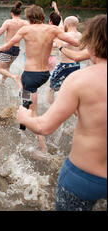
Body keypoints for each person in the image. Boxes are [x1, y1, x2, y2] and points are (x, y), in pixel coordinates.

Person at [17, 14, 106, 211]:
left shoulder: (81, 80)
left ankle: (41, 145)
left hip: (84, 175)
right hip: (44, 73)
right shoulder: (54, 32)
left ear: (92, 43)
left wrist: (22, 116)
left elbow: (44, 127)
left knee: (29, 100)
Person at [0, 5, 79, 153]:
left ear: (28, 17)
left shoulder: (25, 30)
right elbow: (76, 42)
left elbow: (8, 44)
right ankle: (22, 125)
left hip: (31, 76)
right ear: (41, 16)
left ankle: (42, 148)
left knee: (33, 111)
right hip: (44, 74)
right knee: (25, 98)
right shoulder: (52, 29)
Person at [0, 1, 28, 88]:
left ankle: (14, 77)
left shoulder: (8, 22)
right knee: (6, 68)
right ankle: (2, 83)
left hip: (7, 48)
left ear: (11, 13)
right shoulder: (25, 23)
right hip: (16, 50)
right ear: (20, 13)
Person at [48, 16, 82, 104]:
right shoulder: (80, 35)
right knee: (70, 91)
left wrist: (47, 42)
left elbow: (60, 45)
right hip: (76, 66)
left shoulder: (67, 35)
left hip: (65, 66)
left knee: (51, 88)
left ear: (68, 24)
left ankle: (49, 110)